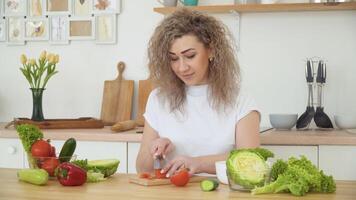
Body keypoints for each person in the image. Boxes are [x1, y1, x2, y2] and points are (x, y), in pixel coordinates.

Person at [136, 8, 260, 178]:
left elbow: (251, 160)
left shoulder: (240, 98)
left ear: (211, 50)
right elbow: (143, 169)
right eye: (173, 58)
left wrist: (198, 163)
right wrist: (155, 152)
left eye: (190, 56)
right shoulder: (159, 98)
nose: (182, 67)